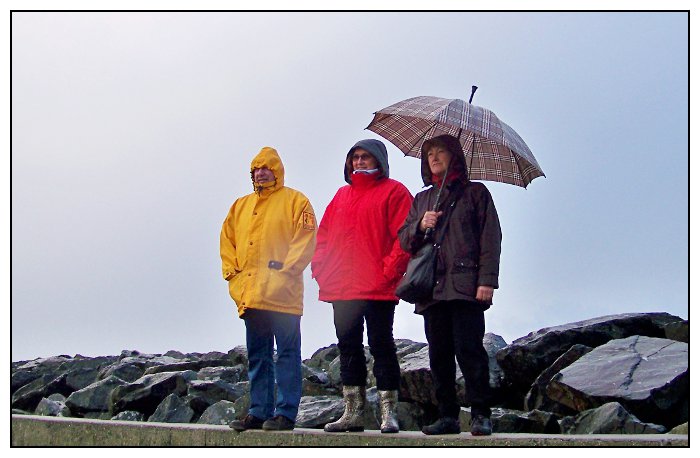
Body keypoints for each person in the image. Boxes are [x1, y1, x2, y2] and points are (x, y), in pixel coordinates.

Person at [398, 134, 502, 436]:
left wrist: (487, 281)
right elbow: (405, 239)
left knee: (470, 350)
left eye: (440, 151)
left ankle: (482, 414)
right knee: (438, 353)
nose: (434, 157)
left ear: (454, 155)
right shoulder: (422, 200)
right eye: (429, 153)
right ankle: (447, 416)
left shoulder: (476, 193)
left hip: (466, 286)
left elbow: (490, 238)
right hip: (431, 288)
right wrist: (421, 224)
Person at [311, 139, 413, 433]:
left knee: (382, 346)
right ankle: (352, 413)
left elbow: (404, 238)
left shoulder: (395, 192)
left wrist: (388, 271)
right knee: (349, 348)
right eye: (355, 157)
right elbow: (324, 237)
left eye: (365, 157)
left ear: (379, 160)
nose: (359, 162)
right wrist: (321, 270)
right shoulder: (341, 195)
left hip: (378, 287)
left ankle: (388, 414)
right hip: (342, 288)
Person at [220, 146, 317, 432]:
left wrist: (285, 271)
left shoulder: (296, 201)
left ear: (277, 170)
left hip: (283, 295)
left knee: (287, 353)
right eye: (256, 169)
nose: (261, 172)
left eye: (266, 167)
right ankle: (258, 412)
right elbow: (228, 242)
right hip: (251, 294)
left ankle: (286, 413)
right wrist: (233, 276)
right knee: (258, 354)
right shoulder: (240, 206)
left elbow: (306, 238)